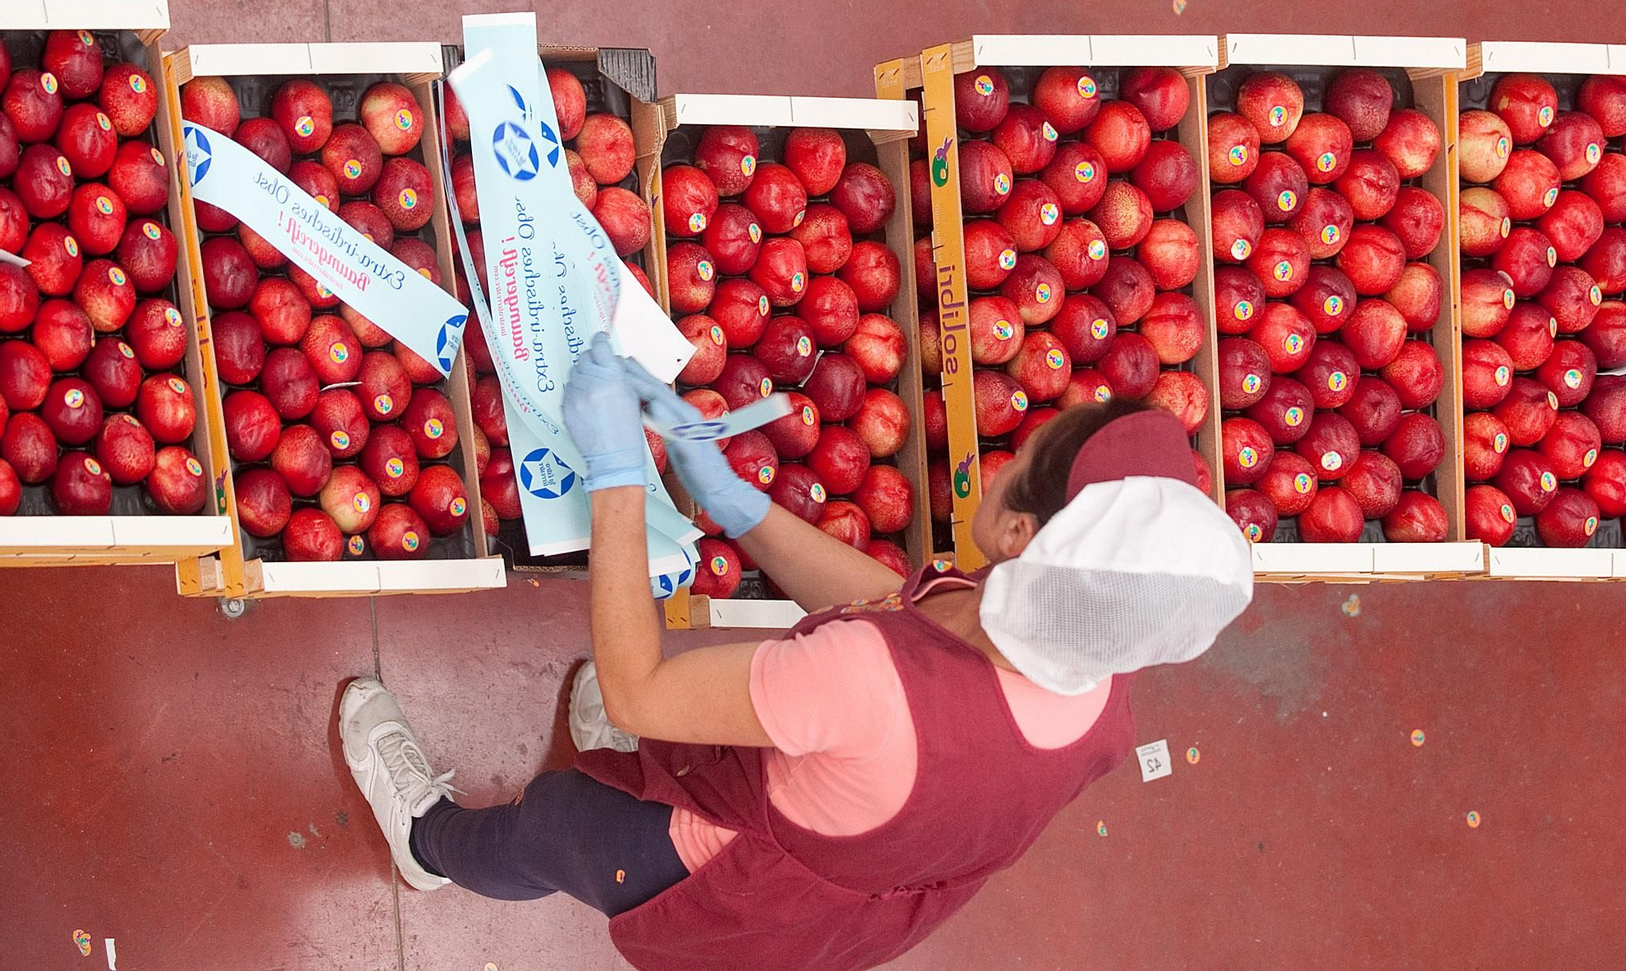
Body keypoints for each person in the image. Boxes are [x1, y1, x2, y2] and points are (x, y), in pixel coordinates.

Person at [339, 333, 1252, 971]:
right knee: (648, 752)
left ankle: (427, 841)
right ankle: (631, 775)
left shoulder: (861, 682)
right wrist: (742, 508)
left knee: (552, 827)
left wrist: (618, 477)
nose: (1014, 446)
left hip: (734, 873)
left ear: (1019, 531)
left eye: (1028, 451)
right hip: (854, 887)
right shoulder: (1086, 663)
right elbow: (900, 613)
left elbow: (639, 689)